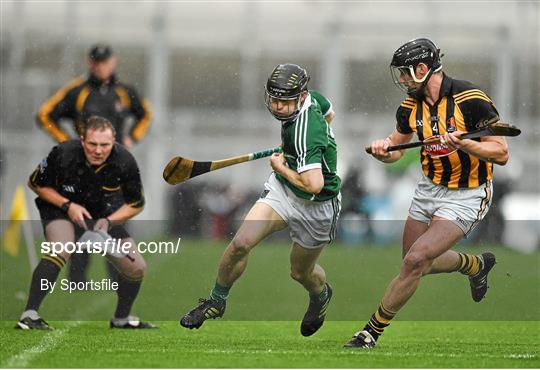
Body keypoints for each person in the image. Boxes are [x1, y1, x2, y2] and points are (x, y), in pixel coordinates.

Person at [344, 38, 509, 348]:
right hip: (428, 188)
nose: (403, 81)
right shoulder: (410, 106)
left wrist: (465, 143)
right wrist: (384, 151)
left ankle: (370, 332)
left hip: (468, 193)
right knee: (415, 261)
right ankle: (475, 265)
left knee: (415, 260)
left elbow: (501, 152)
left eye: (405, 74)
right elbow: (395, 147)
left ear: (422, 69)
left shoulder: (471, 99)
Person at [180, 63, 341, 337]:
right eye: (274, 99)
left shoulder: (305, 133)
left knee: (301, 273)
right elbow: (330, 114)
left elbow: (315, 184)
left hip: (317, 205)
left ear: (300, 98)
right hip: (284, 192)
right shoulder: (313, 98)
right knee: (240, 243)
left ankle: (320, 294)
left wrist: (286, 165)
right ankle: (216, 301)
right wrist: (305, 151)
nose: (277, 106)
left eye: (284, 101)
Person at [16, 116, 154, 330]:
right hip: (61, 210)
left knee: (136, 268)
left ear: (114, 142)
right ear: (82, 140)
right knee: (60, 247)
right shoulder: (62, 153)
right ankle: (29, 314)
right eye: (92, 144)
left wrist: (109, 221)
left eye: (104, 145)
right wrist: (68, 205)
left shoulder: (125, 161)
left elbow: (137, 204)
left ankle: (121, 319)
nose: (98, 150)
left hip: (102, 217)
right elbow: (36, 184)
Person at [36, 44, 152, 283]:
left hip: (115, 168)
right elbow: (45, 114)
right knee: (82, 219)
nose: (101, 66)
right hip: (82, 169)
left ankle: (117, 274)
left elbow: (146, 114)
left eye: (105, 61)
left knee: (115, 218)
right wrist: (65, 142)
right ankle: (78, 279)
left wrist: (132, 137)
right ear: (90, 63)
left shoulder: (123, 91)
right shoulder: (77, 91)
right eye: (96, 62)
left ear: (113, 62)